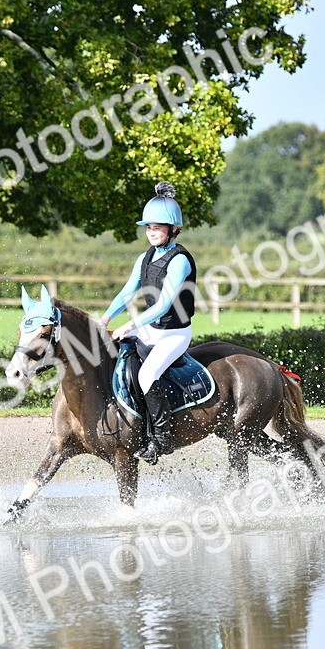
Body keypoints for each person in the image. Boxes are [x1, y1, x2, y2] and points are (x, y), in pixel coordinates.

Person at [101, 182, 197, 463]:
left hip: (174, 334)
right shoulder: (145, 257)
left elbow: (164, 305)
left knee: (146, 375)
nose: (151, 232)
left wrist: (128, 326)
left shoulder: (179, 260)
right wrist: (106, 317)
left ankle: (161, 439)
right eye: (148, 228)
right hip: (150, 330)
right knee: (119, 362)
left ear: (172, 230)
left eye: (157, 228)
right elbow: (127, 292)